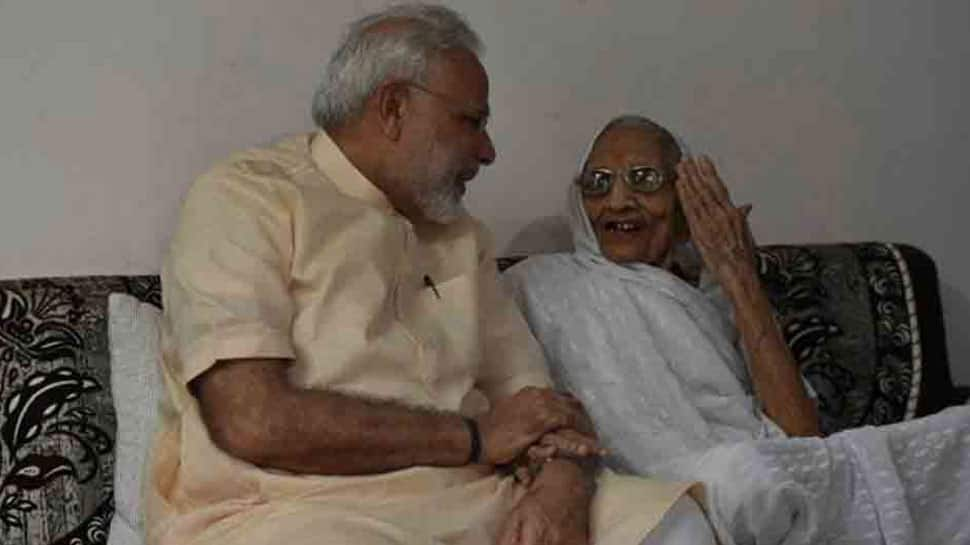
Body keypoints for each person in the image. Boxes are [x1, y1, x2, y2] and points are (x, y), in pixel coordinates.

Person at [145, 7, 718, 545]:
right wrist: (472, 438)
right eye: (471, 122)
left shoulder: (462, 236)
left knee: (674, 524)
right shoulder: (245, 198)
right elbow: (251, 418)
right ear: (394, 108)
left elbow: (538, 404)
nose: (488, 151)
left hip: (476, 497)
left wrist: (562, 485)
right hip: (300, 510)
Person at [504, 114, 970, 545]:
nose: (617, 201)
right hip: (675, 488)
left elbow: (803, 439)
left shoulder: (715, 297)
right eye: (597, 183)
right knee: (745, 475)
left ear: (684, 199)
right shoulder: (541, 284)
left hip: (765, 476)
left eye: (643, 179)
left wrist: (739, 275)